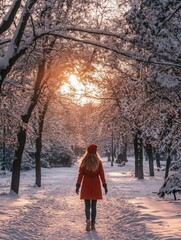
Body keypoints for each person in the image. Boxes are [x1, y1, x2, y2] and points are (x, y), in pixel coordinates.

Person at [75, 144, 108, 231]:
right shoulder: (99, 162)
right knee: (94, 206)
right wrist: (104, 185)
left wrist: (78, 185)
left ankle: (88, 221)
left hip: (86, 184)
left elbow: (80, 175)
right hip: (96, 184)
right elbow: (102, 174)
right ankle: (93, 224)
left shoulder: (84, 161)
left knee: (87, 206)